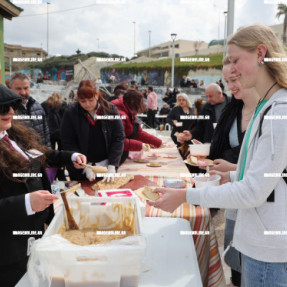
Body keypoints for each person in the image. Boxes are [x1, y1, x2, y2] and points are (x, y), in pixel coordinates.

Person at [148, 24, 287, 287]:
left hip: (268, 252)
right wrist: (232, 175)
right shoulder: (269, 107)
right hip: (260, 245)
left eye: (236, 60)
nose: (231, 70)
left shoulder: (278, 112)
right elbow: (270, 179)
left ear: (260, 53)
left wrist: (185, 195)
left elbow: (253, 192)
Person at [0, 84, 86, 287]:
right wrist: (27, 202)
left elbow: (41, 154)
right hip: (7, 252)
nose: (11, 112)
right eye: (3, 108)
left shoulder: (13, 135)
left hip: (30, 240)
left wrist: (70, 156)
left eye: (12, 106)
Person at [208, 56, 259, 287]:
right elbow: (223, 146)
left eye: (235, 79)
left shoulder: (272, 110)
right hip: (235, 196)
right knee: (234, 251)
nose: (231, 86)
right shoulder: (233, 109)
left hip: (262, 201)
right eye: (227, 81)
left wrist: (233, 168)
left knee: (256, 260)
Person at [61, 80, 125, 181]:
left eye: (91, 100)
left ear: (97, 95)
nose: (87, 104)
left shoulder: (110, 109)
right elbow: (68, 141)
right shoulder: (71, 112)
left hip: (105, 165)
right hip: (81, 167)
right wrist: (82, 163)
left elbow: (118, 137)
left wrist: (112, 165)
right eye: (83, 101)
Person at [112, 89, 162, 164]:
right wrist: (139, 145)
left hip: (122, 154)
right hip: (113, 156)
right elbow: (117, 141)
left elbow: (139, 133)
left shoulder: (128, 110)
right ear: (133, 103)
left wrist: (158, 142)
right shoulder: (119, 114)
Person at [10, 72, 51, 147]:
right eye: (18, 88)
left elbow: (46, 136)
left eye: (26, 88)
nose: (23, 92)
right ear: (11, 88)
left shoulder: (38, 107)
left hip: (40, 156)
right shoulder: (6, 110)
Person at [41, 92, 67, 180]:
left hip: (49, 132)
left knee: (50, 154)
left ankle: (51, 173)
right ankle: (61, 173)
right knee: (61, 153)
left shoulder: (44, 104)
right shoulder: (63, 105)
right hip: (61, 132)